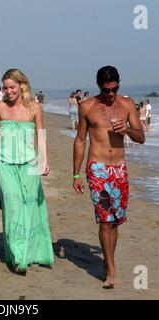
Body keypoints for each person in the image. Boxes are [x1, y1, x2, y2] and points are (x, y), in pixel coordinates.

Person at [73, 66, 145, 289]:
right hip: (98, 169)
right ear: (99, 87)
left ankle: (108, 261)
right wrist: (76, 173)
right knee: (105, 220)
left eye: (115, 89)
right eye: (106, 90)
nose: (111, 94)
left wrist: (127, 130)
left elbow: (141, 137)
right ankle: (111, 270)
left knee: (115, 222)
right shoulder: (87, 106)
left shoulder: (126, 104)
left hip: (120, 170)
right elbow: (80, 140)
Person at [0, 68, 54, 275]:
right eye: (5, 88)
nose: (8, 91)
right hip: (4, 163)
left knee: (30, 206)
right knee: (13, 206)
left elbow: (40, 135)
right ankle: (18, 256)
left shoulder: (35, 108)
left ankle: (31, 252)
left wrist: (45, 159)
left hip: (30, 163)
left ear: (22, 85)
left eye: (12, 87)